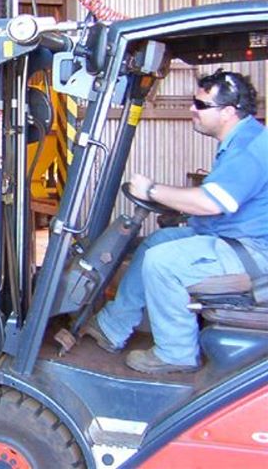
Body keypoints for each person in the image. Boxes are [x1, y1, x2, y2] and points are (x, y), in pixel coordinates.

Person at [84, 69, 268, 374]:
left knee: (163, 261)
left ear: (228, 112)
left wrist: (153, 190)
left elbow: (211, 202)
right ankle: (112, 326)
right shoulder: (243, 139)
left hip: (253, 254)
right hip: (234, 241)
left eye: (200, 105)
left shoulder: (250, 149)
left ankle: (176, 353)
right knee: (155, 244)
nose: (192, 110)